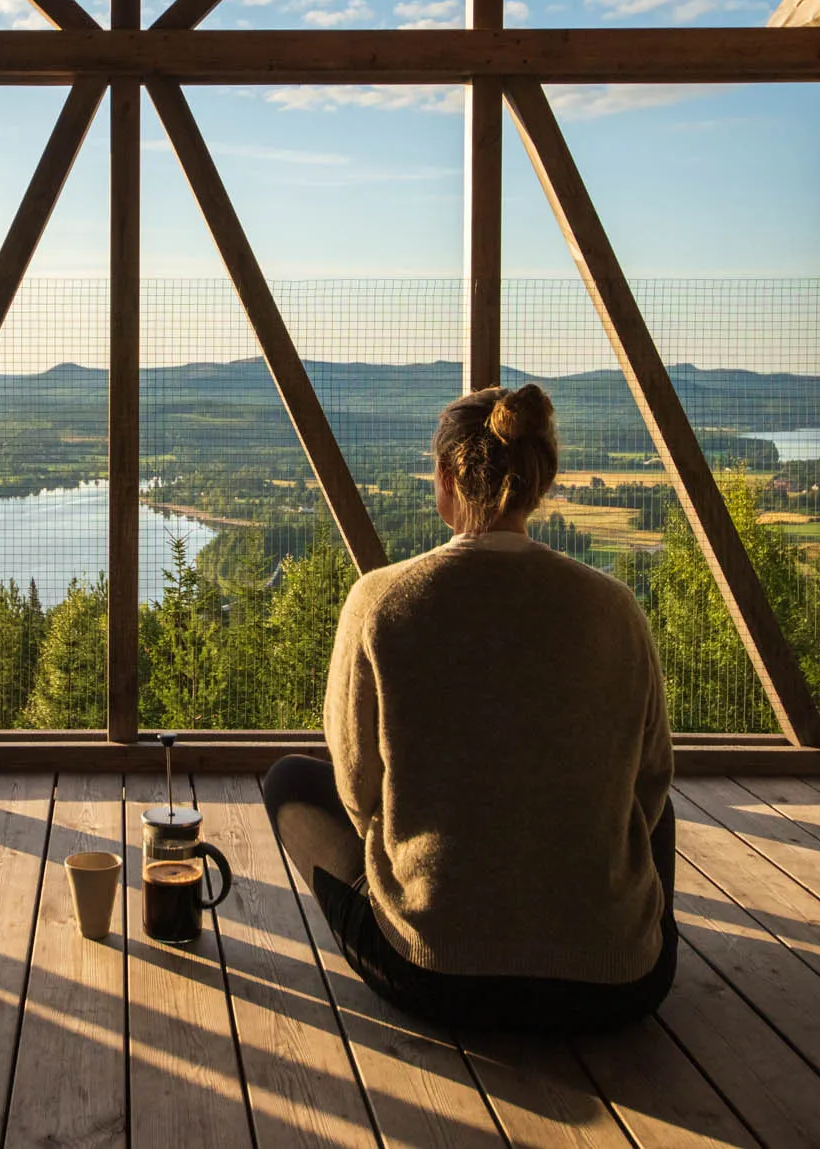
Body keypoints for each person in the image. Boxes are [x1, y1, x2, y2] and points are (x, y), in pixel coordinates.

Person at [262, 382, 677, 1032]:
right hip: (617, 987)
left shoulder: (380, 601)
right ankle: (603, 931)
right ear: (541, 479)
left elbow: (356, 789)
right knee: (651, 810)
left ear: (448, 474)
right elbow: (651, 781)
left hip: (436, 977)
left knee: (289, 780)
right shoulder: (614, 607)